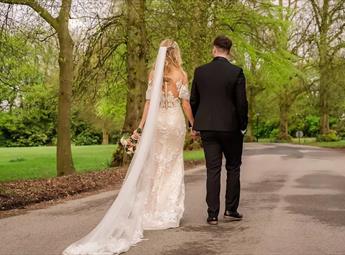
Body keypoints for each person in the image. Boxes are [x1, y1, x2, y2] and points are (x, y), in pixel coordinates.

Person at [62, 39, 194, 255]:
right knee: (171, 163)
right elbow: (185, 103)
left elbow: (149, 103)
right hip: (174, 122)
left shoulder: (154, 73)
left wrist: (140, 128)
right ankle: (168, 211)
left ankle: (152, 209)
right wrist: (193, 123)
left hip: (158, 123)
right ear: (176, 53)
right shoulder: (181, 74)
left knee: (156, 163)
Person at [190, 35, 248, 225]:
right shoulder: (236, 72)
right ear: (229, 52)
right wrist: (243, 125)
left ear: (214, 49)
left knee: (212, 170)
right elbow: (241, 103)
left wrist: (195, 124)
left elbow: (194, 101)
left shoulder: (200, 72)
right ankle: (231, 210)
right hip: (230, 128)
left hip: (207, 127)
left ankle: (212, 214)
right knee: (233, 167)